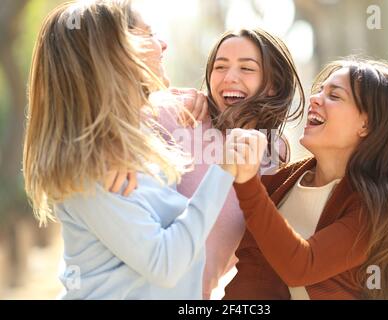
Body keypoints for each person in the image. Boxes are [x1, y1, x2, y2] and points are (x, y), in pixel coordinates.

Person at [22, 0, 265, 299]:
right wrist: (223, 169)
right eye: (149, 35)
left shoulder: (128, 144)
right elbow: (165, 264)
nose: (162, 44)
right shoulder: (94, 167)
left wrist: (191, 99)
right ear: (114, 55)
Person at [224, 57, 388, 299]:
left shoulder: (380, 209)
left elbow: (301, 266)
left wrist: (247, 184)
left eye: (334, 96)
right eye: (319, 90)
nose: (315, 99)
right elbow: (250, 273)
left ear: (367, 125)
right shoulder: (279, 182)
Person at [154, 28, 305, 299]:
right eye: (220, 66)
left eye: (246, 68)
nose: (229, 77)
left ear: (273, 85)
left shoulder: (274, 150)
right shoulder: (180, 115)